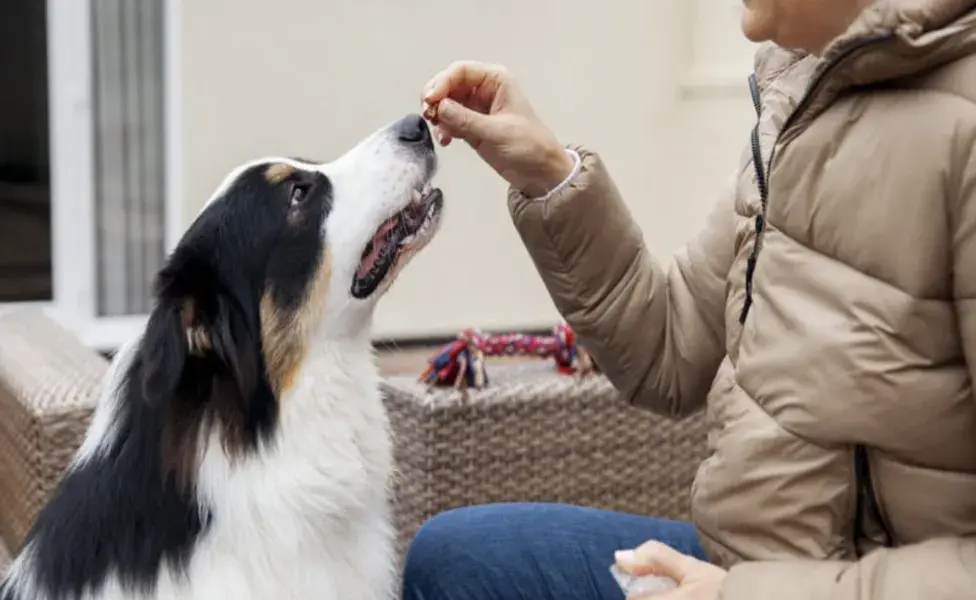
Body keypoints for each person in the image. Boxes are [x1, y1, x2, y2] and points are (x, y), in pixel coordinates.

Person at [403, 0, 976, 598]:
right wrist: (548, 174)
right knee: (461, 561)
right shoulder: (806, 97)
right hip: (736, 564)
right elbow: (668, 352)